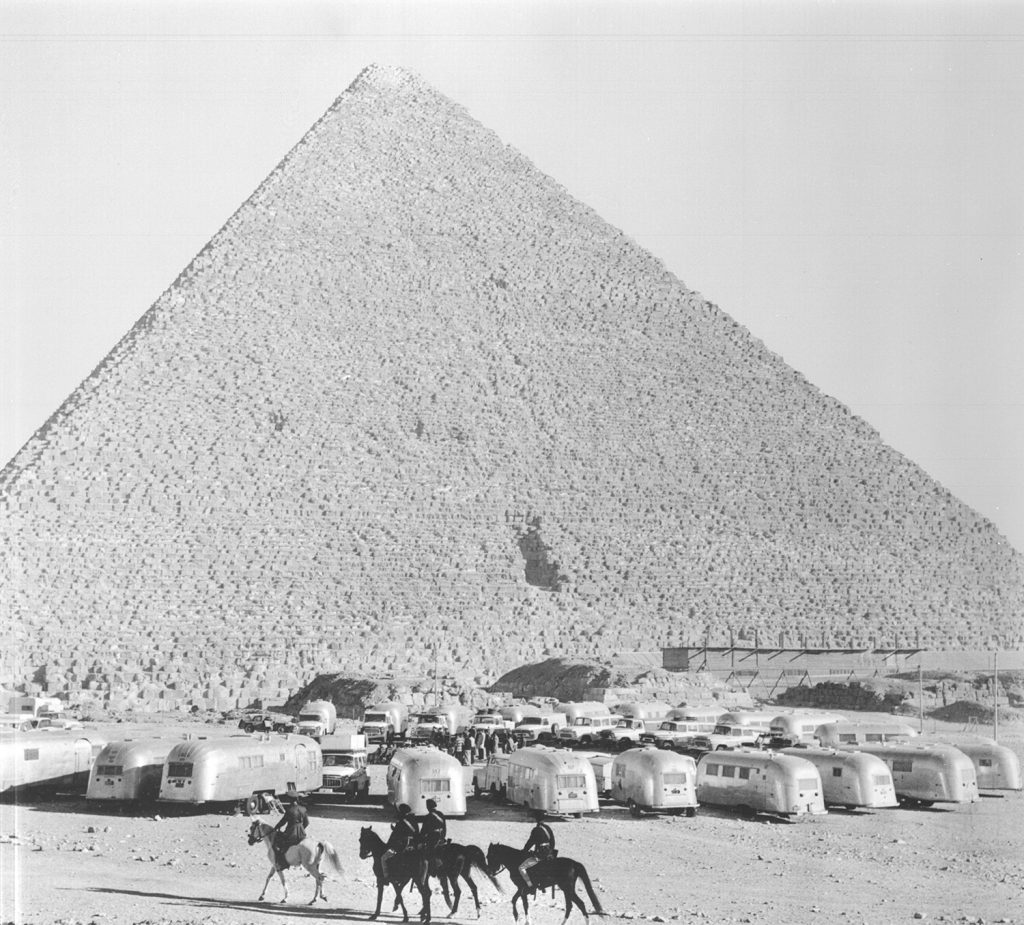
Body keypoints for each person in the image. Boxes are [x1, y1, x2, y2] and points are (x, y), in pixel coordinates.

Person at [518, 810, 556, 892]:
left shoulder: (536, 830)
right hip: (549, 854)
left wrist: (524, 850)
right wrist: (549, 852)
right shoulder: (548, 828)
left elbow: (530, 842)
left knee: (522, 868)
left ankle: (530, 886)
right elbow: (553, 842)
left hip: (540, 854)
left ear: (536, 819)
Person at [381, 803, 419, 882]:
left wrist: (388, 845)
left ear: (402, 812)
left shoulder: (401, 822)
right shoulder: (414, 821)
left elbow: (394, 836)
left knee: (384, 858)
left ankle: (387, 877)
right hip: (413, 845)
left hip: (402, 845)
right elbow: (417, 834)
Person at [272, 793, 309, 870]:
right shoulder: (303, 809)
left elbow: (283, 821)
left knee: (279, 844)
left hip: (291, 833)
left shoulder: (289, 810)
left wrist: (276, 827)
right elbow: (307, 822)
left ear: (291, 800)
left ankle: (283, 864)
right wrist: (301, 828)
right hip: (302, 834)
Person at [417, 798, 448, 873]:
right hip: (441, 837)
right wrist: (442, 837)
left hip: (433, 838)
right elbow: (444, 827)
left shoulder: (428, 816)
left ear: (428, 807)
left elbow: (424, 831)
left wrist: (420, 839)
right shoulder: (441, 814)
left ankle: (432, 868)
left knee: (425, 853)